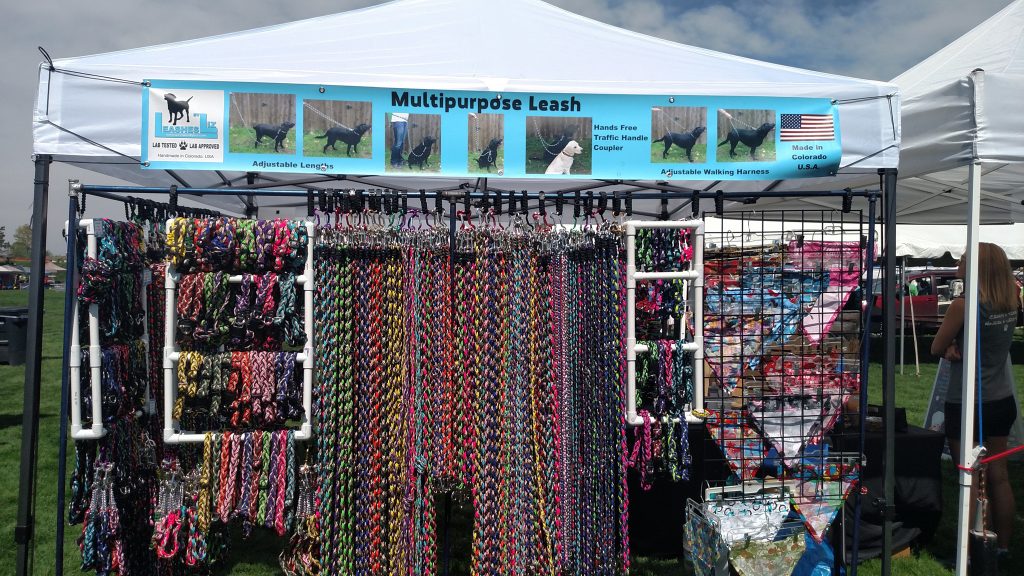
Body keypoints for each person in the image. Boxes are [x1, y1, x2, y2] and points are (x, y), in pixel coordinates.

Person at [930, 242, 1019, 555]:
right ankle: (1002, 547)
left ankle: (967, 552)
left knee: (969, 478)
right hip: (1001, 398)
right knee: (999, 476)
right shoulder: (1011, 299)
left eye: (964, 259)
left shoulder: (963, 305)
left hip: (968, 401)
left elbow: (936, 348)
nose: (958, 263)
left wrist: (952, 346)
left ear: (977, 266)